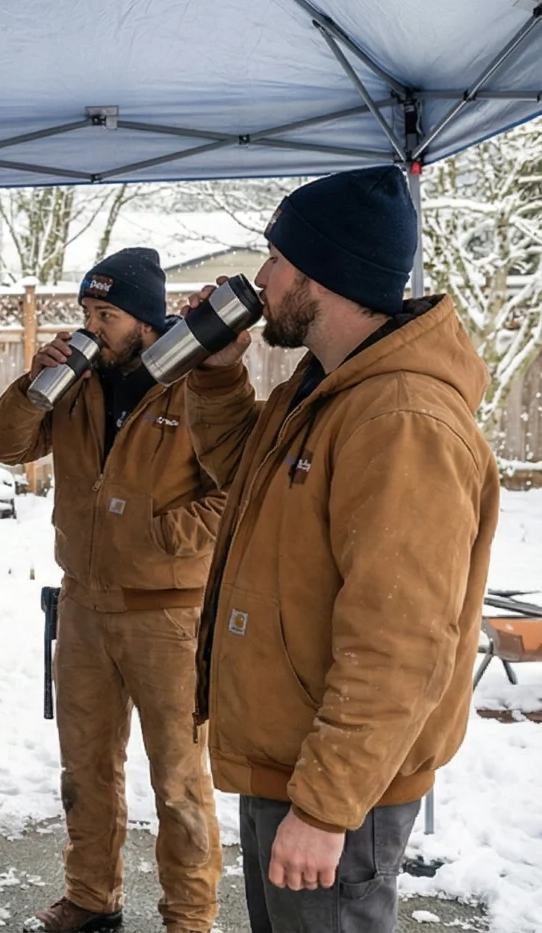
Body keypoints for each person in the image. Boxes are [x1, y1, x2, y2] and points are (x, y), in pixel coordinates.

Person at [182, 165, 498, 933]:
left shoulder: (400, 418)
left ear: (324, 274)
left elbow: (401, 642)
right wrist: (220, 376)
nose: (262, 277)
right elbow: (255, 485)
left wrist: (324, 808)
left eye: (279, 259)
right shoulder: (326, 384)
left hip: (337, 787)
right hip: (292, 758)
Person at [0, 248, 223, 933]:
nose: (92, 325)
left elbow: (234, 490)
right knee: (84, 770)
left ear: (147, 323)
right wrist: (37, 376)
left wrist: (164, 534)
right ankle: (91, 898)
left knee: (178, 783)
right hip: (85, 606)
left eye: (107, 314)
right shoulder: (75, 385)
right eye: (87, 311)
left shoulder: (193, 387)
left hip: (168, 616)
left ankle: (190, 918)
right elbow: (3, 443)